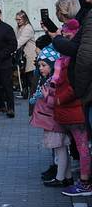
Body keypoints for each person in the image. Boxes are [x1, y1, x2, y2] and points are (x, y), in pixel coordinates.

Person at [50, 20, 92, 197]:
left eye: (67, 32)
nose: (65, 34)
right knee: (80, 146)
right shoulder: (67, 57)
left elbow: (73, 85)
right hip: (72, 109)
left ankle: (85, 182)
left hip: (74, 109)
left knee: (83, 147)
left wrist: (59, 99)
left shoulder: (73, 58)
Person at [31, 47, 71, 187]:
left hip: (53, 121)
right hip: (54, 121)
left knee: (60, 150)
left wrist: (47, 97)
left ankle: (60, 178)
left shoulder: (53, 82)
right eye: (39, 65)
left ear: (52, 65)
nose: (41, 68)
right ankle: (67, 176)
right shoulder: (50, 80)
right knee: (62, 149)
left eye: (44, 65)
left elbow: (54, 102)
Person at [14, 10, 37, 100]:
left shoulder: (27, 28)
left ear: (24, 19)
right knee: (24, 75)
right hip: (23, 54)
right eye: (16, 19)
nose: (18, 21)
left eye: (19, 19)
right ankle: (25, 93)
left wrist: (10, 48)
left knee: (30, 75)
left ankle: (32, 94)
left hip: (29, 54)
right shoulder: (18, 27)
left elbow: (20, 41)